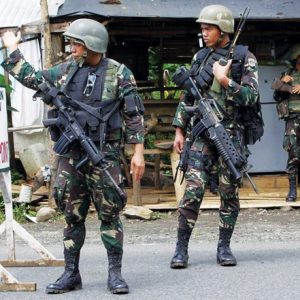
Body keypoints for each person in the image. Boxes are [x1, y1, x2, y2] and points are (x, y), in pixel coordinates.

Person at [1, 19, 145, 294]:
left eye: (76, 43)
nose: (71, 47)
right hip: (71, 155)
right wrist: (12, 49)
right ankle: (71, 273)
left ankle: (115, 274)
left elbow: (134, 115)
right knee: (71, 215)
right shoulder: (65, 71)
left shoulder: (120, 73)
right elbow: (33, 78)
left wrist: (138, 152)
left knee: (110, 214)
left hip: (105, 153)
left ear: (92, 45)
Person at [170, 5, 259, 268]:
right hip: (200, 137)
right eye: (202, 28)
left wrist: (225, 81)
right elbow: (188, 94)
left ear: (223, 31)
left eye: (208, 28)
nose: (204, 32)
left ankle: (224, 247)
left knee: (229, 193)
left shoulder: (245, 58)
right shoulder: (199, 57)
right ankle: (181, 249)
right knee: (193, 192)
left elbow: (252, 97)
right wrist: (179, 129)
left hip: (230, 137)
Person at [273, 45, 300, 202]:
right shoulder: (288, 75)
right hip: (292, 119)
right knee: (293, 154)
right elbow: (276, 97)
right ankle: (292, 191)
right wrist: (282, 83)